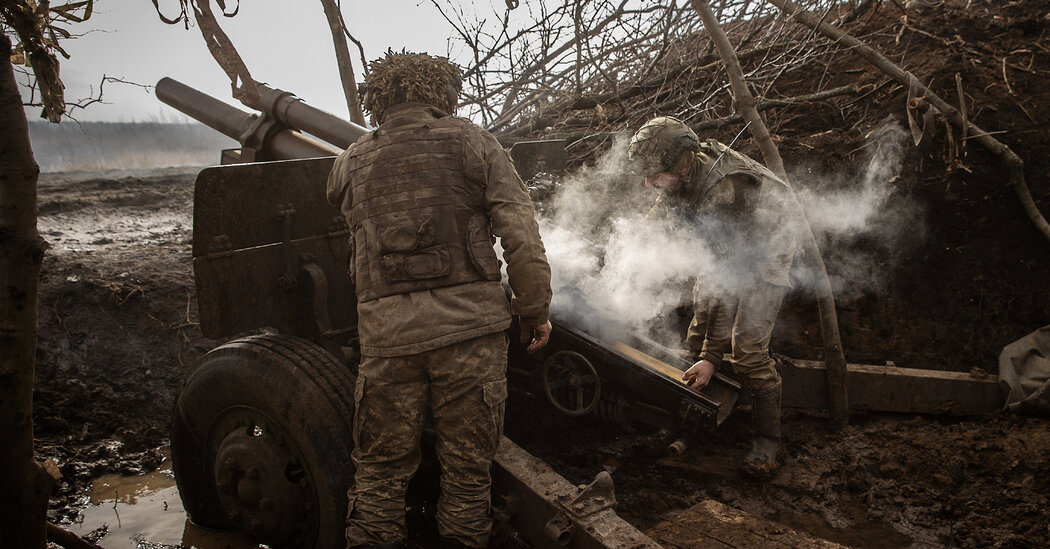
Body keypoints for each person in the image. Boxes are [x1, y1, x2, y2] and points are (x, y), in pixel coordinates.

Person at [326, 51, 553, 549]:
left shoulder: (349, 162)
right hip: (470, 336)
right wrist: (533, 310)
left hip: (388, 339)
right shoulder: (475, 143)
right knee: (468, 478)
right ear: (441, 93)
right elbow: (520, 232)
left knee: (379, 479)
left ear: (379, 98)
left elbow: (356, 245)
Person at [627, 116, 801, 479]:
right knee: (695, 332)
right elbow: (656, 218)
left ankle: (769, 443)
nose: (648, 183)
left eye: (655, 174)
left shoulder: (721, 192)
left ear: (682, 165)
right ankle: (685, 419)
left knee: (747, 349)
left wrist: (711, 357)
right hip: (729, 244)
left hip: (768, 244)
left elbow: (729, 283)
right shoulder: (683, 176)